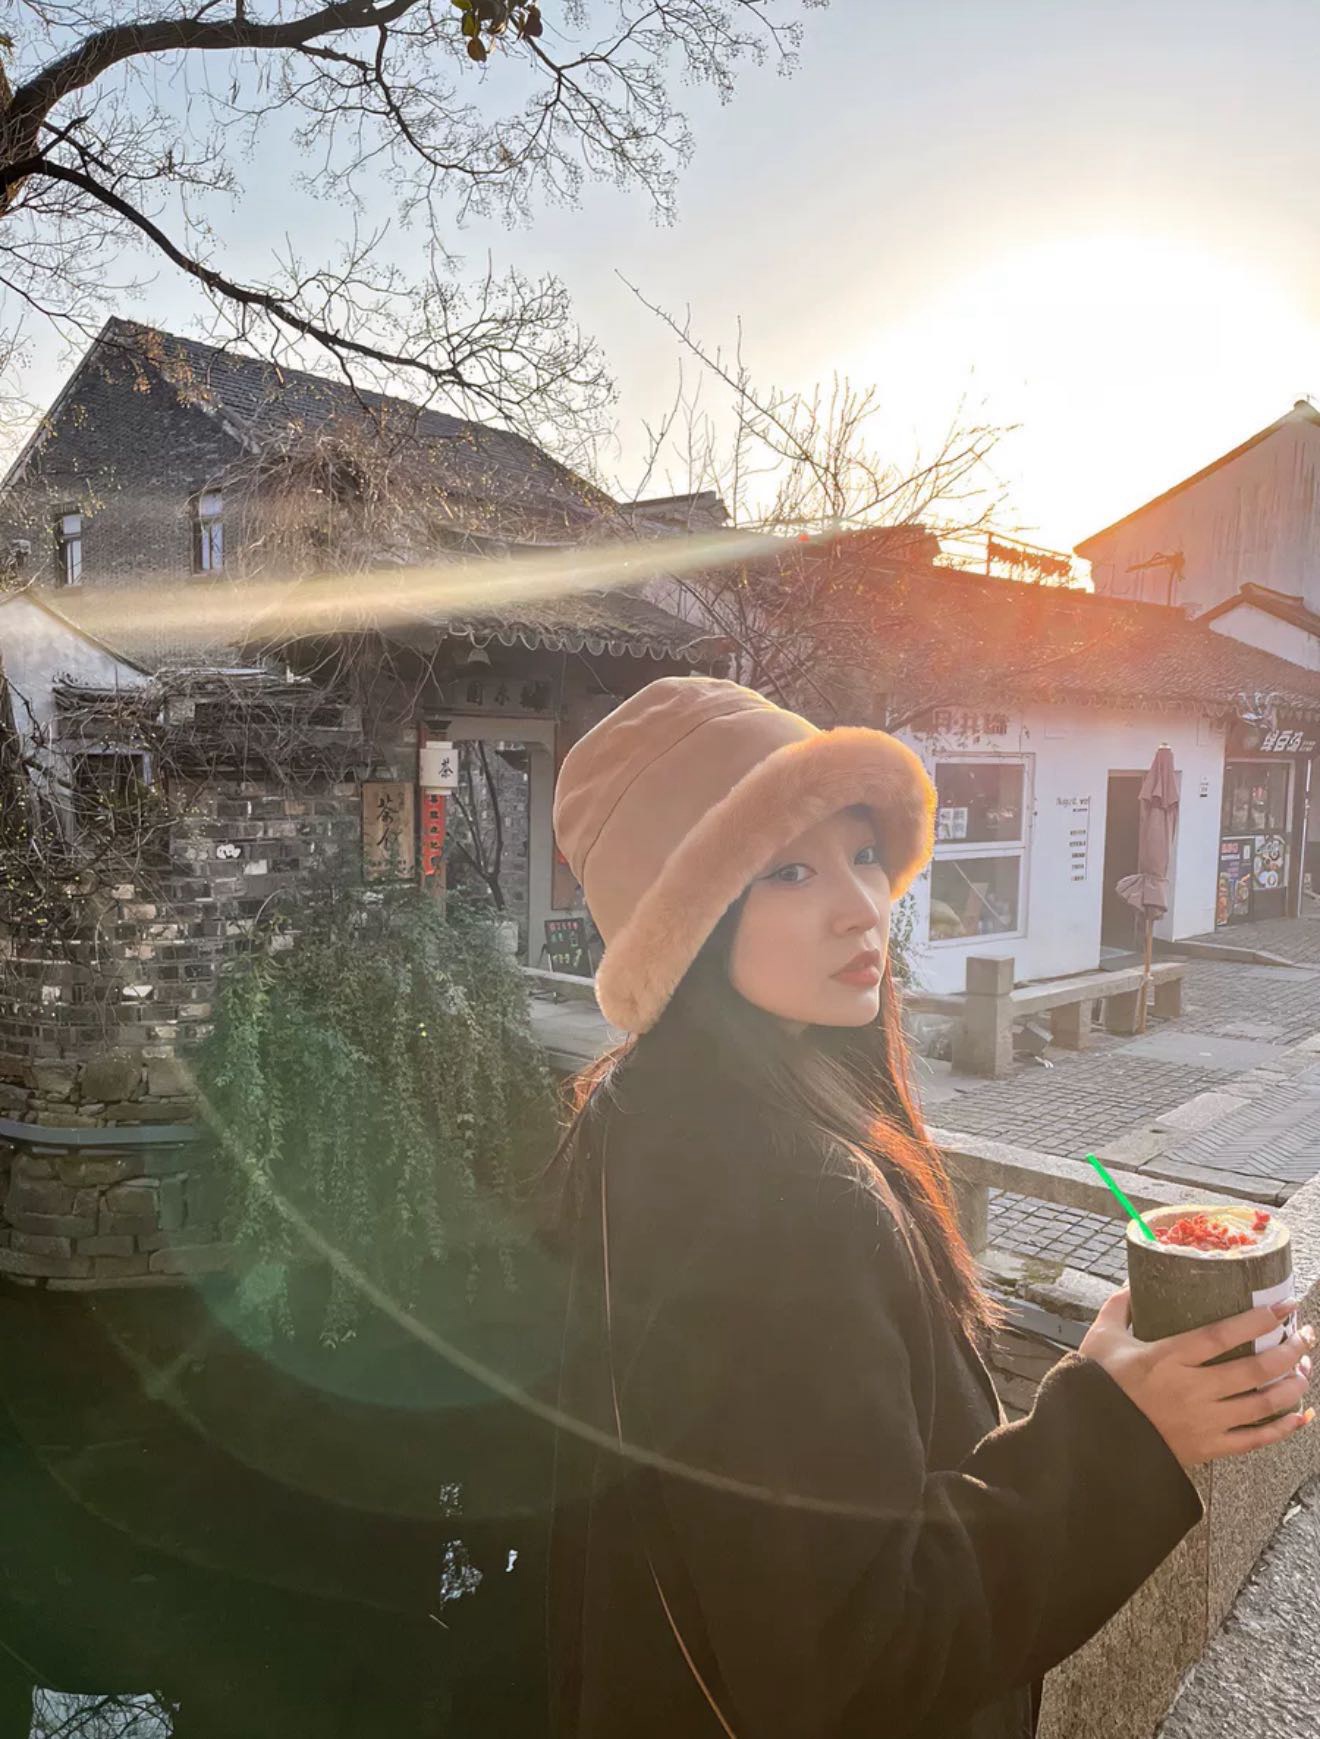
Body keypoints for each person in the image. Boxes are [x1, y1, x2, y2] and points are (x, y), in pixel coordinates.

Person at [537, 675, 1314, 1739]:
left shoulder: (638, 1109)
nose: (863, 904)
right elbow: (863, 1654)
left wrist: (1098, 1386)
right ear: (685, 926)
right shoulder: (789, 1204)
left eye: (863, 851)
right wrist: (1123, 1433)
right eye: (788, 870)